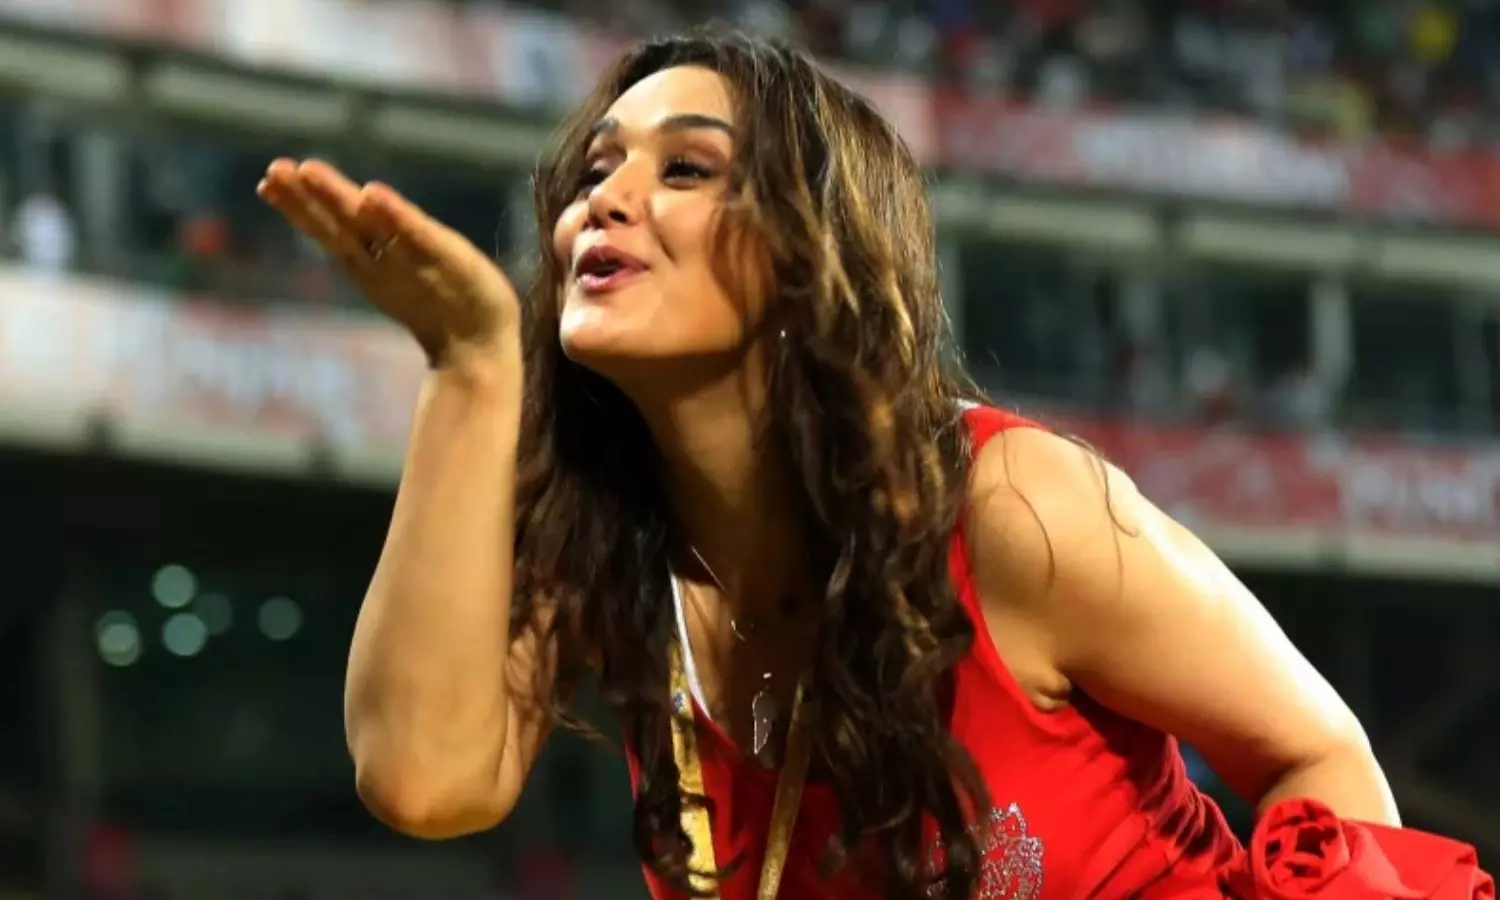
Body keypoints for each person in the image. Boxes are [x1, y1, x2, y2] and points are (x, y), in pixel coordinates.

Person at [257, 29, 1489, 900]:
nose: (607, 200)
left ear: (808, 259)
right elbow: (424, 781)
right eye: (596, 169)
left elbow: (1321, 756)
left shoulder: (1007, 507)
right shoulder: (611, 546)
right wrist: (468, 367)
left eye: (685, 169)